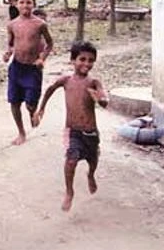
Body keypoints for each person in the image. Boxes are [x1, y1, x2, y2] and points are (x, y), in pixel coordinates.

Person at [33, 41, 109, 212]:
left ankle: (90, 175)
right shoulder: (66, 81)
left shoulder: (94, 82)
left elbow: (104, 100)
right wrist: (41, 109)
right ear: (73, 60)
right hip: (72, 131)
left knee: (93, 159)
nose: (86, 64)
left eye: (91, 60)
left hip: (91, 132)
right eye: (82, 59)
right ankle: (69, 192)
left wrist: (100, 99)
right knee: (71, 160)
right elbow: (50, 89)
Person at [2, 0, 54, 146]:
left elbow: (50, 44)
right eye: (22, 2)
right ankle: (21, 132)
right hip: (16, 68)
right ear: (16, 4)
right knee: (14, 102)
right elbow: (11, 44)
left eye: (29, 2)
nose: (25, 5)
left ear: (34, 4)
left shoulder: (40, 24)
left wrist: (42, 58)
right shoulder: (12, 25)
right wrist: (8, 53)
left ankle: (33, 111)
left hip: (33, 69)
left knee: (30, 103)